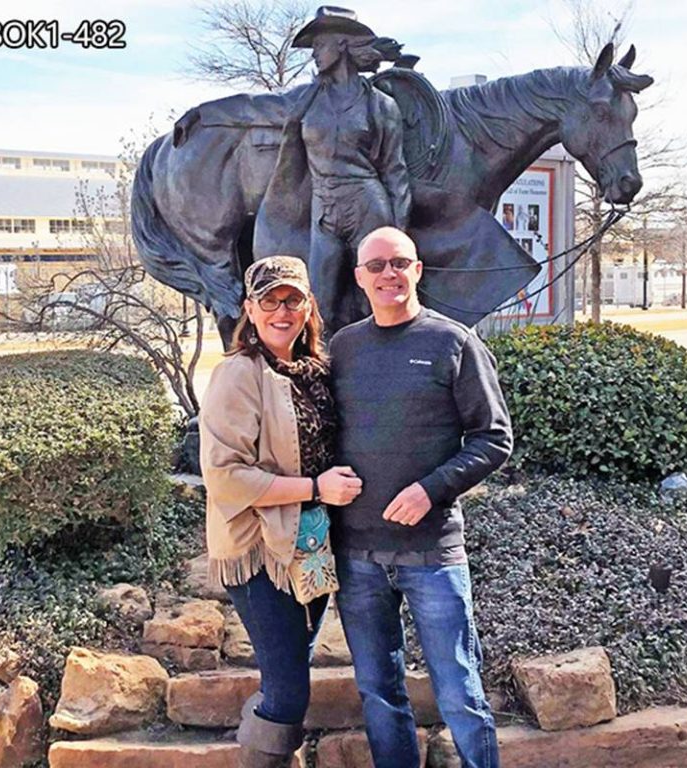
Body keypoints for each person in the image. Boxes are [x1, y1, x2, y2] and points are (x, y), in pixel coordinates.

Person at [329, 227, 512, 768]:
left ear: (417, 270)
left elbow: (493, 437)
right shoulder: (344, 347)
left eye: (399, 263)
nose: (389, 274)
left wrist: (430, 490)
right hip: (357, 555)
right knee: (380, 695)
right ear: (360, 278)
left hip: (432, 554)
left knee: (460, 694)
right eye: (377, 265)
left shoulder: (453, 342)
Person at [200, 255, 363, 768]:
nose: (281, 309)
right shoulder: (238, 374)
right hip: (260, 550)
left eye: (292, 298)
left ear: (308, 304)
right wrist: (315, 487)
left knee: (288, 676)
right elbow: (224, 474)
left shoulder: (316, 370)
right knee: (289, 693)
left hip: (311, 544)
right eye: (269, 300)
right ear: (250, 308)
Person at [290, 6, 411, 331]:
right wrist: (205, 114)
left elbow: (394, 172)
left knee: (375, 301)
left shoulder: (380, 105)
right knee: (318, 304)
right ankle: (318, 374)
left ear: (341, 44)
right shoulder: (306, 100)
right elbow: (254, 107)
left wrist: (397, 237)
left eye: (319, 45)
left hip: (368, 208)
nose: (314, 54)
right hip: (324, 211)